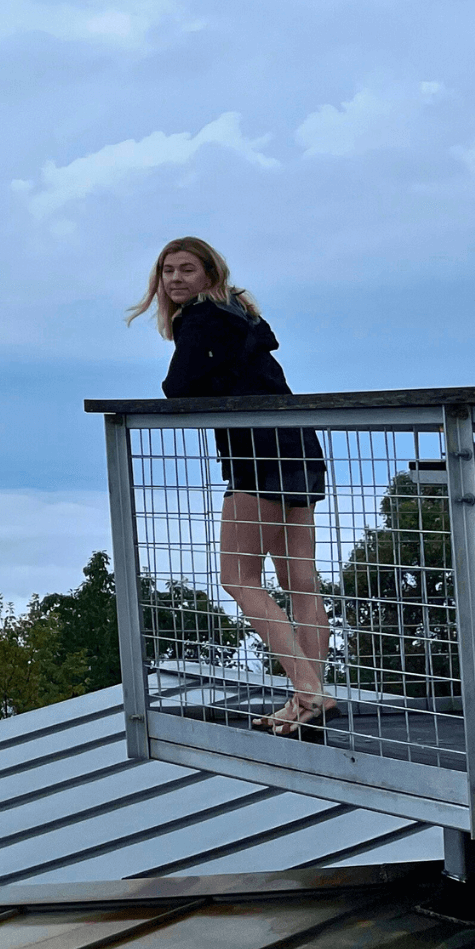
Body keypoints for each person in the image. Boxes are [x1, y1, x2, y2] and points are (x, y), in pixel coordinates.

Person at [127, 236, 336, 736]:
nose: (175, 279)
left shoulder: (200, 318)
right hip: (299, 446)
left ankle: (309, 692)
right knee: (300, 582)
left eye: (186, 269)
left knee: (238, 578)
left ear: (210, 274)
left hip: (257, 455)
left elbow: (178, 387)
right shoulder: (241, 313)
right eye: (167, 271)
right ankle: (307, 699)